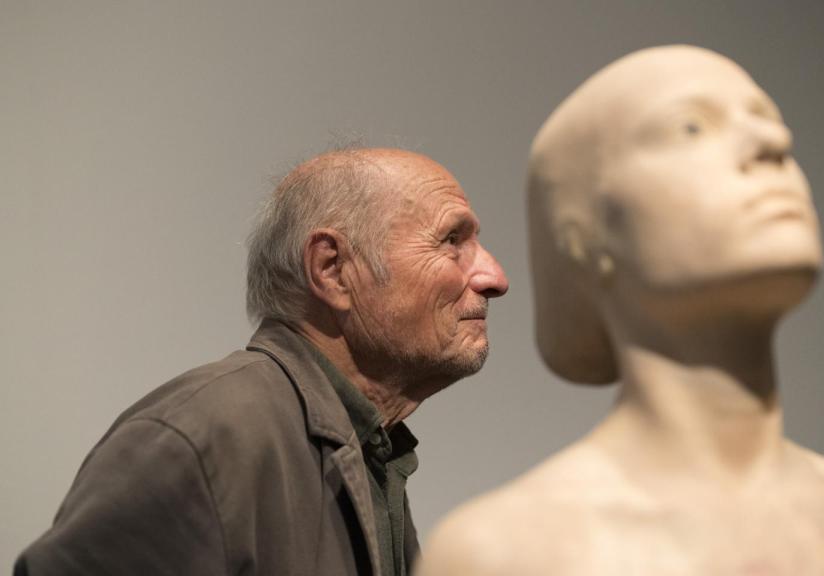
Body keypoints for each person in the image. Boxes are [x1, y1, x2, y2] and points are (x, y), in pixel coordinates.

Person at [417, 46, 824, 575]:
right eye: (690, 126)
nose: (772, 139)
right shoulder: (506, 555)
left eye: (767, 117)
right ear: (582, 236)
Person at [15, 148, 508, 576]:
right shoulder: (199, 438)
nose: (494, 276)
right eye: (451, 242)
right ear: (333, 270)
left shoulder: (369, 448)